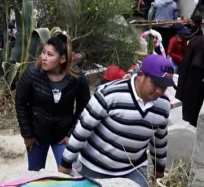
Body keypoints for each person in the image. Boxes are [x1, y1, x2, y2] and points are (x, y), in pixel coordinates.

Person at [59, 54, 174, 187]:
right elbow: (83, 129)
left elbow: (159, 140)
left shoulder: (163, 105)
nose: (160, 91)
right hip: (94, 168)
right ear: (141, 75)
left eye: (165, 86)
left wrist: (159, 169)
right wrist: (65, 164)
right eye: (156, 84)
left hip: (132, 170)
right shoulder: (109, 94)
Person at [15, 34, 91, 172]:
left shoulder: (77, 78)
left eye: (50, 55)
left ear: (62, 59)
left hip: (63, 136)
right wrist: (27, 135)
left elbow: (84, 107)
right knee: (35, 176)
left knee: (68, 175)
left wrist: (71, 134)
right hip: (37, 136)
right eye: (43, 52)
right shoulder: (32, 73)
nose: (44, 57)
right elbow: (20, 104)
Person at [175, 16, 203, 125]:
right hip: (195, 83)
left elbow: (185, 66)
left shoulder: (196, 40)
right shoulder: (196, 41)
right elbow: (185, 66)